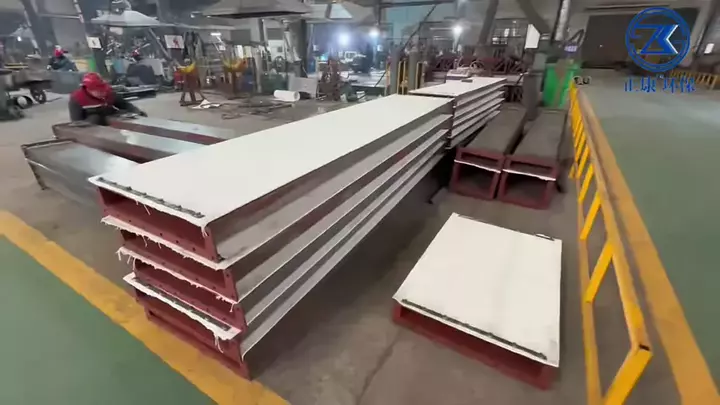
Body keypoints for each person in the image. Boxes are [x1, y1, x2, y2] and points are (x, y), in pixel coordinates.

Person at [69, 72, 146, 125]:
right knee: (95, 118)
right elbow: (77, 122)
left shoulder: (108, 92)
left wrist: (136, 111)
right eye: (98, 91)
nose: (102, 93)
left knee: (126, 114)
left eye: (103, 90)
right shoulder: (77, 99)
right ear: (88, 89)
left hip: (110, 115)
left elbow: (124, 104)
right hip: (92, 123)